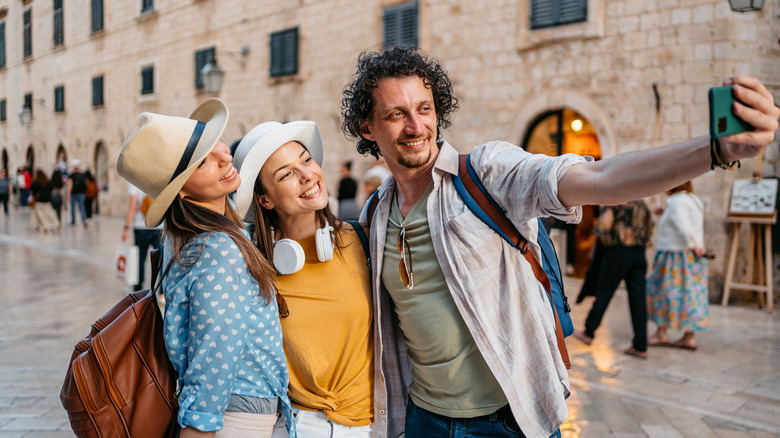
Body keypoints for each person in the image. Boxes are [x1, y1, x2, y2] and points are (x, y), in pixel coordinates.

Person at [339, 46, 779, 438]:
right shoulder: (376, 213)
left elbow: (602, 178)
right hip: (421, 419)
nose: (417, 126)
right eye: (396, 114)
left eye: (425, 109)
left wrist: (715, 150)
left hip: (508, 421)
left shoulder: (487, 174)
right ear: (368, 127)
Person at [116, 98, 295, 437]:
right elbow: (215, 349)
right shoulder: (218, 249)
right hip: (236, 416)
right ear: (180, 193)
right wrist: (199, 428)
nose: (225, 157)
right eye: (202, 162)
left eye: (215, 145)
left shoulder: (183, 238)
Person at [233, 121, 375, 438]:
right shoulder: (254, 273)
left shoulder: (364, 241)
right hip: (301, 427)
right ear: (265, 199)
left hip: (374, 426)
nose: (306, 175)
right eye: (285, 174)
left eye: (306, 160)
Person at [573, 201, 653, 358]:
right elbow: (649, 227)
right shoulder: (642, 204)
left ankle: (588, 332)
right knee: (638, 299)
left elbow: (602, 228)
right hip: (638, 254)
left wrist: (611, 245)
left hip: (618, 253)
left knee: (604, 293)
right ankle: (640, 345)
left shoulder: (616, 202)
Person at [646, 181, 709, 350]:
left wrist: (692, 244)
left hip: (673, 255)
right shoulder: (692, 199)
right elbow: (686, 221)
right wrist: (666, 213)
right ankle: (689, 337)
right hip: (692, 255)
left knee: (663, 293)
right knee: (690, 296)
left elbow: (683, 225)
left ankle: (661, 333)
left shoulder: (676, 201)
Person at [121, 182, 162, 292]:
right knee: (161, 260)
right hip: (159, 227)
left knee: (140, 259)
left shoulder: (134, 182)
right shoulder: (160, 178)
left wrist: (126, 227)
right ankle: (162, 292)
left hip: (141, 227)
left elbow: (133, 205)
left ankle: (138, 289)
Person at [30, 169, 60, 233]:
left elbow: (32, 190)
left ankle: (45, 226)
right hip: (47, 201)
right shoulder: (48, 182)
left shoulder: (36, 183)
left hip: (38, 202)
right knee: (50, 214)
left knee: (40, 215)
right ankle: (55, 223)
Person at [67, 159, 88, 227]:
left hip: (74, 193)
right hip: (81, 193)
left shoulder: (72, 175)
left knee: (73, 207)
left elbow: (70, 184)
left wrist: (68, 194)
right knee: (81, 207)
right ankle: (84, 219)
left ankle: (73, 221)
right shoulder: (82, 175)